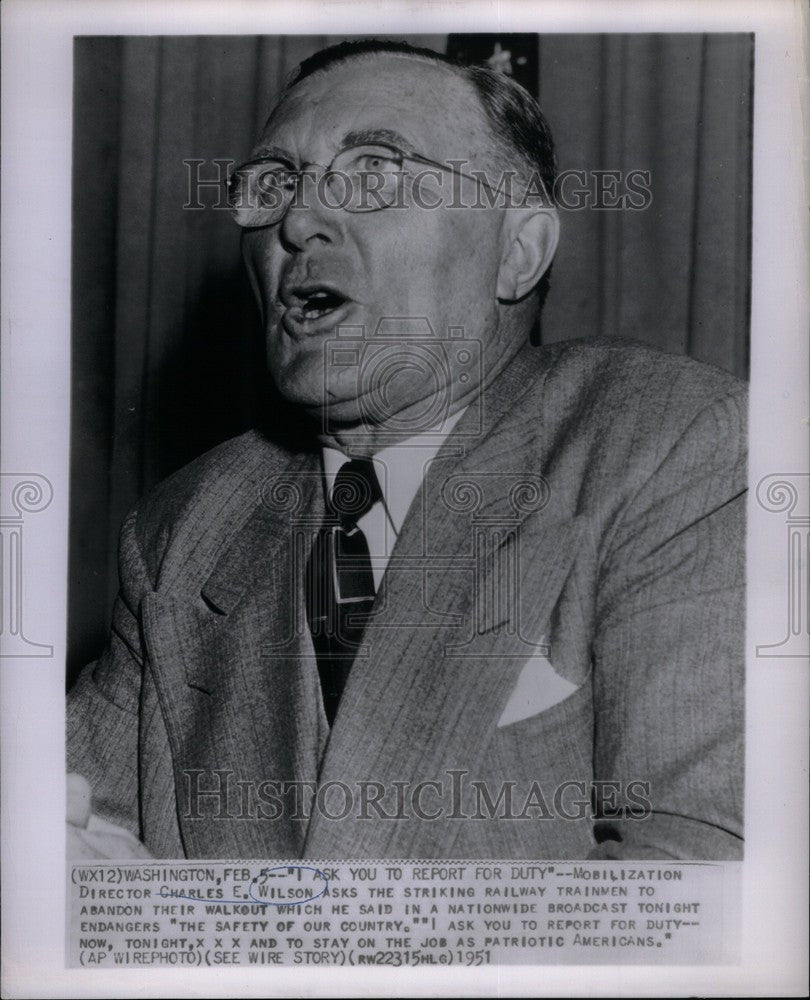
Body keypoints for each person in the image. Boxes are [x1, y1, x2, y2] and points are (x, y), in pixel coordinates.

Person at [67, 39, 746, 861]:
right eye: (275, 184)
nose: (299, 219)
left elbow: (698, 882)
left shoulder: (669, 444)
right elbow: (81, 826)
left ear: (517, 250)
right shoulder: (181, 531)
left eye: (375, 173)